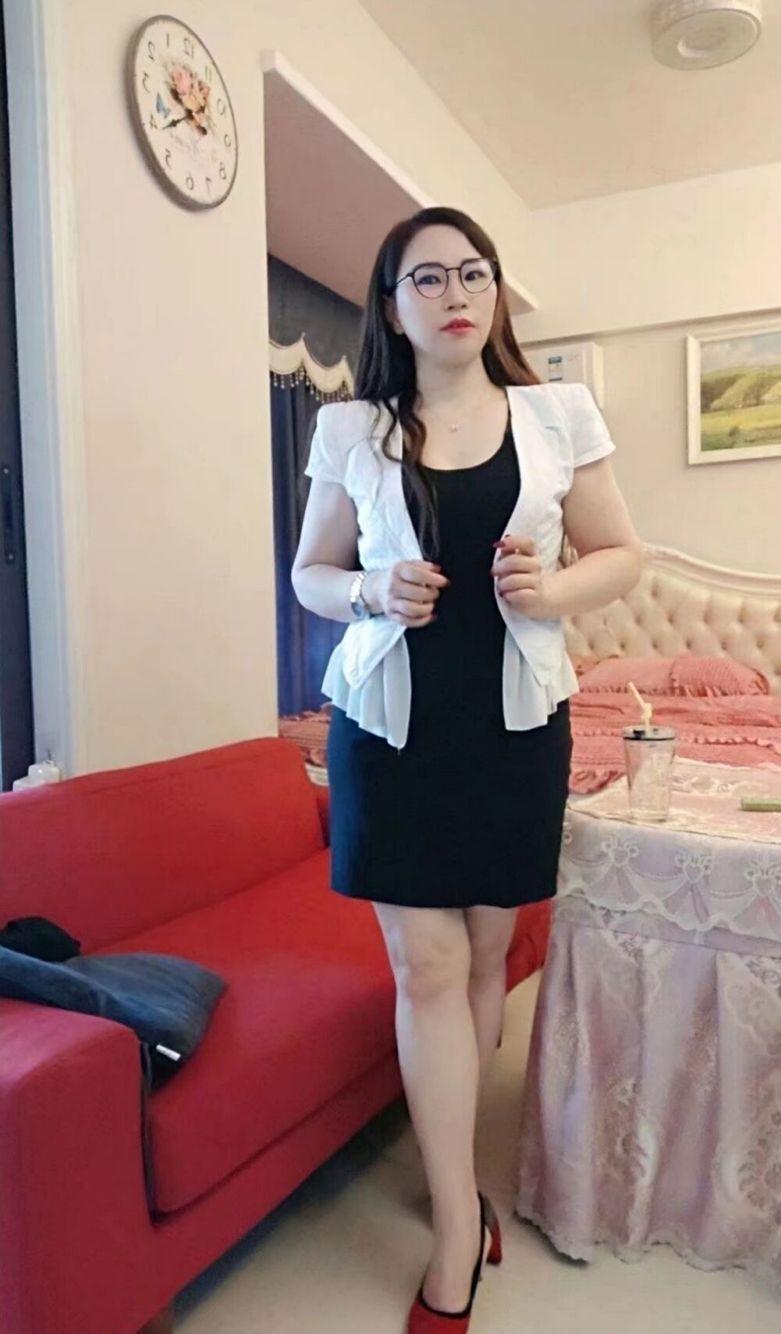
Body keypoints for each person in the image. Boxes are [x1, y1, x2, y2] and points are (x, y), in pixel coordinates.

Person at [292, 206, 643, 1332]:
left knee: (487, 954)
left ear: (494, 294)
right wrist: (367, 589)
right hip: (390, 728)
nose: (456, 293)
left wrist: (553, 590)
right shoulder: (352, 427)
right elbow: (310, 571)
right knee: (428, 965)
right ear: (391, 304)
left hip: (514, 724)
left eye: (474, 273)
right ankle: (456, 1223)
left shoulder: (556, 414)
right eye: (428, 277)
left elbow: (620, 552)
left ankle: (461, 1172)